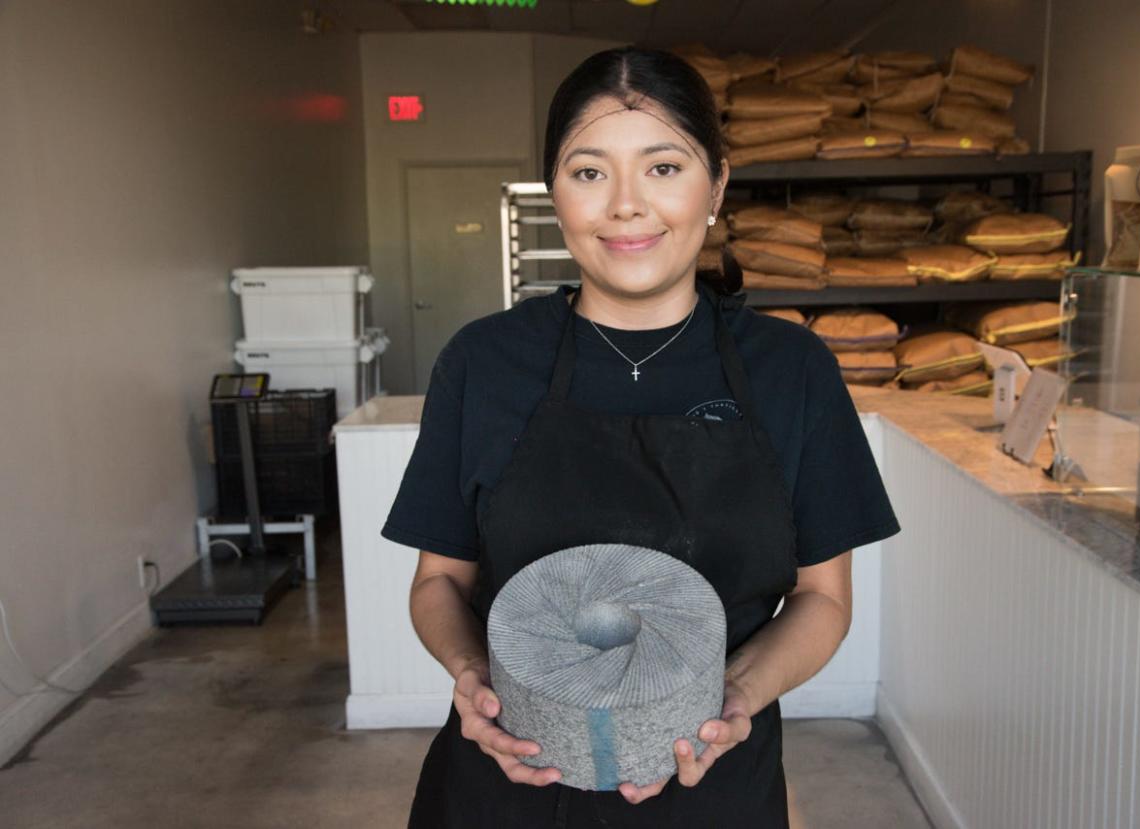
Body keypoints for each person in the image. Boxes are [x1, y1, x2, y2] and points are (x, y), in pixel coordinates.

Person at [381, 46, 901, 828]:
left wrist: (734, 700)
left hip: (712, 789)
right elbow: (439, 582)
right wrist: (474, 678)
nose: (626, 205)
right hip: (509, 788)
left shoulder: (790, 370)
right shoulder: (484, 363)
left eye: (663, 167)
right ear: (554, 192)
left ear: (716, 185)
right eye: (590, 172)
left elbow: (822, 597)